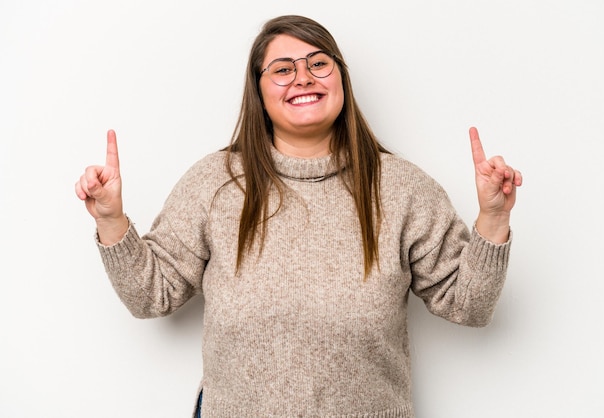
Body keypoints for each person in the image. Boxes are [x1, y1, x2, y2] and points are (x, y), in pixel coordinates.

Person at [75, 14, 522, 418]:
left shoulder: (402, 188)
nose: (303, 78)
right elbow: (152, 295)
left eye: (318, 64)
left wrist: (493, 218)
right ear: (259, 90)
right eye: (283, 69)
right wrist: (112, 220)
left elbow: (469, 304)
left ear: (341, 79)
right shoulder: (215, 182)